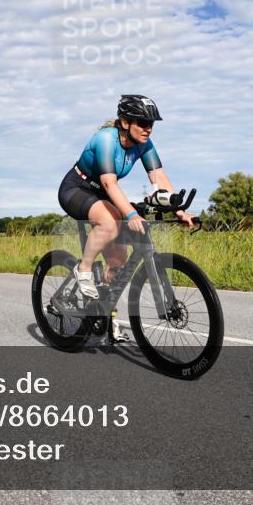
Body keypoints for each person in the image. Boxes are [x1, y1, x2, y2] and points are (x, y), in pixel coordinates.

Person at [57, 95, 196, 342]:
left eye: (151, 123)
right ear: (124, 121)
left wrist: (180, 210)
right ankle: (84, 268)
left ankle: (107, 314)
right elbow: (109, 182)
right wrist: (129, 213)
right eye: (142, 123)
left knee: (118, 258)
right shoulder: (106, 139)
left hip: (102, 193)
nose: (148, 128)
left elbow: (159, 176)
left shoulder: (145, 144)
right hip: (76, 189)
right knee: (111, 223)